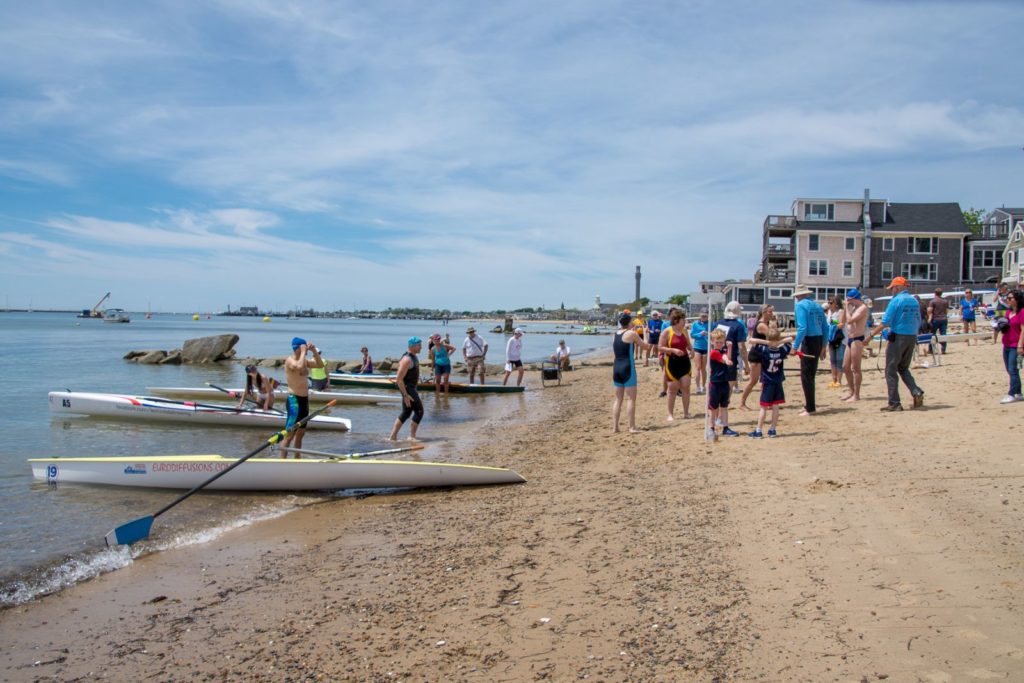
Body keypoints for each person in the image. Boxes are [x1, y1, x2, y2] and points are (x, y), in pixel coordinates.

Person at [870, 277, 925, 412]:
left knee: (890, 370)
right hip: (912, 336)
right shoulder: (914, 301)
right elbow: (919, 320)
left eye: (892, 288)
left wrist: (870, 336)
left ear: (897, 287)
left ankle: (894, 402)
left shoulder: (896, 301)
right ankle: (916, 391)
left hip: (898, 337)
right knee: (903, 368)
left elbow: (885, 322)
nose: (891, 291)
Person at [746, 327, 794, 438]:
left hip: (767, 381)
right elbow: (790, 339)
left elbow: (751, 340)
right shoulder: (781, 350)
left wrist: (768, 342)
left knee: (763, 407)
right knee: (775, 406)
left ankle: (758, 430)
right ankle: (772, 429)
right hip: (778, 381)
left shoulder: (764, 350)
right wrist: (778, 342)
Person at [281, 337, 323, 457]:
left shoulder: (303, 360)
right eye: (303, 347)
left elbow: (320, 365)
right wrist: (304, 351)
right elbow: (298, 367)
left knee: (301, 433)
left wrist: (314, 351)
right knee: (289, 435)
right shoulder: (290, 361)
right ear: (298, 348)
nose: (305, 349)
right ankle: (281, 462)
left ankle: (297, 459)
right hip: (294, 400)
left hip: (304, 400)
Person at [792, 285, 827, 416]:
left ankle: (810, 407)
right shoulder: (817, 305)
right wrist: (824, 345)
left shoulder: (800, 306)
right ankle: (809, 404)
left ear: (797, 296)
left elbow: (802, 328)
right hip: (818, 340)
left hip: (809, 340)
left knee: (806, 376)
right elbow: (826, 327)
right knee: (811, 375)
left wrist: (795, 347)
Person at [612, 312, 649, 433]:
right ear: (628, 322)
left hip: (616, 367)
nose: (633, 322)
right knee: (631, 399)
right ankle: (632, 427)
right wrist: (645, 332)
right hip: (627, 367)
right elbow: (646, 346)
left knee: (618, 399)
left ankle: (615, 427)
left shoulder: (615, 334)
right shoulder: (632, 334)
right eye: (632, 321)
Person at [657, 308, 693, 421]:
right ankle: (670, 414)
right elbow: (660, 347)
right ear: (677, 320)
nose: (685, 321)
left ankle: (686, 413)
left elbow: (688, 344)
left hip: (684, 361)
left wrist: (692, 351)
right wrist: (673, 350)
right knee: (672, 389)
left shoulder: (684, 331)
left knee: (686, 387)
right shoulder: (667, 331)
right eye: (683, 319)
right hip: (672, 362)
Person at [739, 304, 775, 410]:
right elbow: (773, 336)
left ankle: (766, 402)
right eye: (770, 312)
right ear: (764, 313)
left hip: (764, 353)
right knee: (753, 380)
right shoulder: (761, 325)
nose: (772, 314)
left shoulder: (766, 323)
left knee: (765, 380)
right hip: (757, 355)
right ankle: (742, 403)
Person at [389, 337, 424, 440]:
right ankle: (412, 437)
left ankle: (393, 436)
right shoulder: (407, 359)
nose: (421, 347)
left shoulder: (414, 357)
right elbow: (399, 379)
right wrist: (405, 395)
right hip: (408, 389)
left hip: (411, 388)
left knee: (407, 412)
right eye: (419, 345)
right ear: (412, 346)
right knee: (419, 411)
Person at [707, 328, 739, 437]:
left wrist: (729, 348)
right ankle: (711, 428)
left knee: (724, 407)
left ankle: (726, 428)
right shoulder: (713, 353)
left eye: (721, 342)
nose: (719, 344)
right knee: (713, 408)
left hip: (724, 382)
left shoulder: (722, 351)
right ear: (712, 342)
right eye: (717, 342)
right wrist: (727, 360)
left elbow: (727, 357)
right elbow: (724, 359)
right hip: (715, 383)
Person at [840, 289, 869, 402]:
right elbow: (843, 321)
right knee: (845, 366)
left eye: (849, 299)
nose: (848, 301)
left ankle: (856, 394)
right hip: (850, 338)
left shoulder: (863, 308)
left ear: (853, 299)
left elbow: (850, 320)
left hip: (857, 338)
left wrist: (847, 307)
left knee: (855, 368)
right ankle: (851, 391)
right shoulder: (854, 308)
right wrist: (845, 308)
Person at [714, 301, 748, 394]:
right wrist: (746, 364)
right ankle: (724, 403)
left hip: (717, 356)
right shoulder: (739, 326)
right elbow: (741, 346)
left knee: (717, 381)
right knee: (730, 382)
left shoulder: (718, 323)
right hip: (730, 357)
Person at [997, 289, 1024, 404]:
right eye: (1007, 298)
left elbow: (1023, 330)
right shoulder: (1008, 312)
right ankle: (1018, 393)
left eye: (1010, 298)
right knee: (1010, 369)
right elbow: (1007, 326)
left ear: (1016, 299)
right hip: (1006, 343)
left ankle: (1011, 394)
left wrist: (1020, 345)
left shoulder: (1022, 312)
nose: (1008, 300)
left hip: (1015, 345)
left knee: (1013, 369)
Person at [826, 296, 845, 388]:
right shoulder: (829, 312)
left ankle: (839, 380)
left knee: (839, 360)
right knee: (832, 360)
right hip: (830, 338)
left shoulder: (840, 311)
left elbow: (841, 324)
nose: (829, 304)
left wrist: (833, 321)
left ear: (836, 304)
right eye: (828, 302)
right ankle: (833, 379)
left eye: (831, 302)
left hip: (838, 338)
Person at [690, 310, 709, 395]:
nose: (703, 318)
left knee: (703, 368)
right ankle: (697, 386)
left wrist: (707, 333)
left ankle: (703, 386)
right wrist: (700, 334)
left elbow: (714, 334)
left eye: (705, 316)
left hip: (706, 347)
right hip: (697, 347)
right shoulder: (695, 324)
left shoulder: (711, 324)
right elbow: (692, 335)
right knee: (697, 367)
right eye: (702, 316)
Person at [927, 288, 950, 354]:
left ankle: (931, 349)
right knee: (943, 334)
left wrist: (929, 317)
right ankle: (943, 349)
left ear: (935, 293)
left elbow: (930, 310)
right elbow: (947, 311)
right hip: (944, 319)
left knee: (932, 334)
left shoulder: (932, 301)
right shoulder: (945, 301)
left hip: (935, 319)